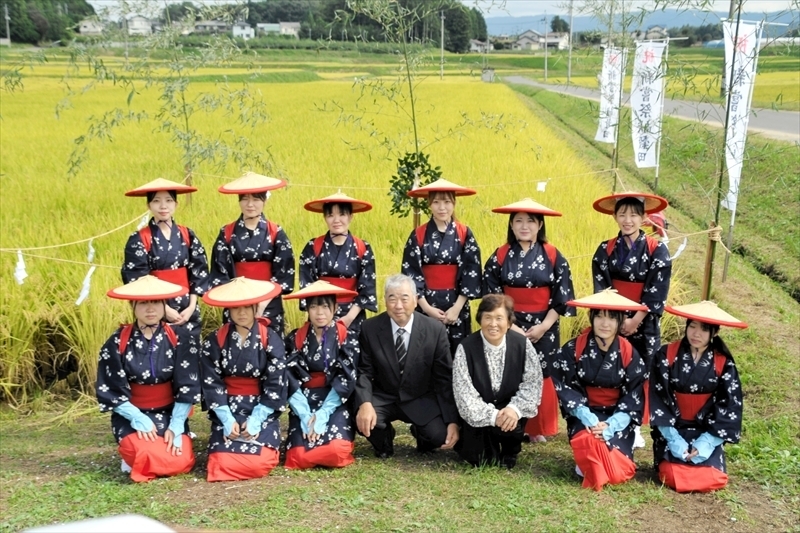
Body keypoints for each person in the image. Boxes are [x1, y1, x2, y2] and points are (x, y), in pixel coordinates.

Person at [483, 198, 575, 443]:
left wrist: (544, 326)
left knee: (542, 372)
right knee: (511, 369)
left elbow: (562, 296)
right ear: (511, 225)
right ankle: (512, 422)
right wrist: (509, 326)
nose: (524, 226)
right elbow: (491, 294)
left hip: (545, 323)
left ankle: (537, 428)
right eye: (519, 221)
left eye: (530, 221)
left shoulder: (554, 255)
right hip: (508, 322)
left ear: (540, 225)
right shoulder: (500, 255)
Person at [96, 275, 200, 483]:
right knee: (145, 451)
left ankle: (143, 456)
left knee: (180, 461)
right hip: (132, 414)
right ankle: (134, 454)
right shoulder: (118, 340)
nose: (150, 309)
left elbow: (188, 384)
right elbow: (111, 387)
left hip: (170, 412)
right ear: (133, 306)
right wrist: (136, 417)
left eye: (155, 302)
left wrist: (177, 422)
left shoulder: (180, 337)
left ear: (164, 305)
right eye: (143, 303)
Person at [591, 191, 671, 448]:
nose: (628, 220)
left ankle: (634, 426)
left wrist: (636, 319)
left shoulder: (657, 249)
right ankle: (611, 421)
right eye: (622, 214)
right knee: (615, 370)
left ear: (644, 217)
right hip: (611, 320)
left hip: (644, 321)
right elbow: (603, 289)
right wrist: (615, 320)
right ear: (614, 217)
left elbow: (656, 289)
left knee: (641, 372)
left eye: (634, 215)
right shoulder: (606, 249)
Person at [551, 290, 648, 491]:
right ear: (592, 318)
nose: (605, 323)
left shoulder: (630, 353)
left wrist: (612, 424)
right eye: (600, 316)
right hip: (584, 416)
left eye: (612, 318)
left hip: (616, 416)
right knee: (590, 439)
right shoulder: (572, 349)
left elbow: (635, 393)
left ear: (620, 321)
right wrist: (588, 418)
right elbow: (565, 386)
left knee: (618, 469)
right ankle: (591, 462)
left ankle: (597, 464)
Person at [355, 274, 460, 457]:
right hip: (385, 396)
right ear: (385, 301)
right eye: (392, 298)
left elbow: (444, 378)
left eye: (404, 298)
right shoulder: (369, 328)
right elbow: (364, 370)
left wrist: (452, 420)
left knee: (439, 436)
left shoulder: (435, 330)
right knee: (362, 417)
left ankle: (421, 434)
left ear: (415, 300)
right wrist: (365, 403)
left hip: (420, 397)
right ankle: (385, 441)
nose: (398, 305)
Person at [650, 301, 746, 493]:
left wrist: (708, 441)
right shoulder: (666, 354)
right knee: (671, 475)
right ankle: (672, 450)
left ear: (715, 332)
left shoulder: (723, 362)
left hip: (706, 430)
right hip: (673, 428)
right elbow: (658, 398)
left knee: (713, 478)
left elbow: (730, 404)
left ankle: (707, 449)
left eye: (704, 329)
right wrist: (672, 438)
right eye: (692, 326)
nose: (696, 334)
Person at [199, 277, 287, 482]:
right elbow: (211, 381)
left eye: (247, 307)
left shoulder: (270, 338)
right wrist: (226, 418)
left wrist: (258, 418)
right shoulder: (215, 339)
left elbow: (276, 381)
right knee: (220, 460)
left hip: (261, 406)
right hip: (227, 405)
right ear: (228, 310)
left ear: (255, 307)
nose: (241, 312)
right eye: (235, 307)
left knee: (260, 461)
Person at [452, 294, 543, 468]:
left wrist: (513, 410)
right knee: (481, 459)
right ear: (480, 320)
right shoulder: (466, 348)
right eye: (488, 317)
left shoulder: (523, 345)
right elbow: (464, 394)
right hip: (481, 415)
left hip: (510, 415)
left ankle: (511, 449)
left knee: (510, 430)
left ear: (509, 323)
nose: (493, 324)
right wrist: (494, 416)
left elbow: (533, 383)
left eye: (499, 318)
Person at [283, 280, 360, 469]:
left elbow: (347, 377)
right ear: (307, 309)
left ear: (334, 308)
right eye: (314, 307)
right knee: (298, 456)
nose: (320, 313)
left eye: (325, 306)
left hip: (335, 401)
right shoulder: (295, 338)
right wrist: (304, 413)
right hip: (304, 400)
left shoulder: (346, 336)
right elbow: (288, 377)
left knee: (336, 450)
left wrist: (324, 412)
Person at [401, 179, 482, 355]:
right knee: (426, 354)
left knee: (458, 355)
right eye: (436, 202)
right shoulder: (418, 235)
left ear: (454, 203)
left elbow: (471, 272)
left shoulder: (464, 233)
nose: (442, 207)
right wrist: (427, 308)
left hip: (457, 305)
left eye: (446, 202)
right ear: (429, 204)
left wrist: (457, 308)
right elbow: (411, 274)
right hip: (425, 304)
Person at [209, 172, 295, 336]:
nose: (250, 204)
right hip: (236, 303)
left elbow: (284, 273)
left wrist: (263, 302)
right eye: (245, 199)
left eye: (256, 199)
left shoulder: (276, 232)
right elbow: (220, 273)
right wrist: (240, 303)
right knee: (234, 346)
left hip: (269, 301)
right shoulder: (227, 233)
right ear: (239, 201)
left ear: (264, 201)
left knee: (271, 345)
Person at [122, 178, 209, 337]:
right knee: (159, 354)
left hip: (187, 308)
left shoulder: (187, 234)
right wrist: (164, 310)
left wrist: (191, 307)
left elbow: (199, 270)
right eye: (156, 201)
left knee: (190, 353)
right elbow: (136, 279)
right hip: (154, 309)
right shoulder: (140, 239)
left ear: (176, 204)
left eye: (169, 200)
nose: (163, 206)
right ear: (149, 205)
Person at [299, 192, 377, 336]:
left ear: (351, 217)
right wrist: (321, 315)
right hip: (320, 315)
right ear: (324, 217)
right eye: (330, 215)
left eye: (342, 214)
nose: (336, 220)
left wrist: (348, 318)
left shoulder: (363, 248)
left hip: (353, 315)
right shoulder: (313, 247)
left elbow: (367, 287)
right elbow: (307, 287)